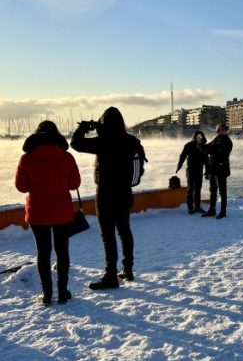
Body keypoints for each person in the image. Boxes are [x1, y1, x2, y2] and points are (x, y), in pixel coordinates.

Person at [71, 107, 146, 289]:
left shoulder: (103, 142)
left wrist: (84, 128)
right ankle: (128, 269)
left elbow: (76, 143)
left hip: (106, 193)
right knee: (124, 230)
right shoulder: (131, 141)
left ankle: (111, 275)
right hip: (125, 192)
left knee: (108, 235)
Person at [15, 121, 81, 305]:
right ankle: (62, 291)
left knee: (43, 252)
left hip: (38, 212)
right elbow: (74, 184)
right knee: (62, 251)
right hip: (62, 212)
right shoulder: (66, 157)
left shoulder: (26, 158)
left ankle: (46, 294)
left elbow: (22, 187)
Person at [200, 124, 233, 219]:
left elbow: (219, 152)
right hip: (213, 169)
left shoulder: (227, 141)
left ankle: (223, 212)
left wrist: (208, 149)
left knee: (222, 192)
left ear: (226, 130)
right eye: (218, 130)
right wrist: (200, 143)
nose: (219, 131)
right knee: (212, 190)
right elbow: (206, 148)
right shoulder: (216, 139)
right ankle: (212, 210)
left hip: (221, 169)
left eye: (222, 129)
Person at [176, 130, 208, 214]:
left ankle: (197, 207)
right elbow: (182, 156)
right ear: (194, 136)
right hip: (190, 170)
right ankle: (190, 207)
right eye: (197, 136)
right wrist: (179, 166)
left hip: (199, 170)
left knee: (198, 189)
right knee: (190, 189)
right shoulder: (188, 145)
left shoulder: (203, 146)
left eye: (200, 136)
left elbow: (206, 160)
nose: (198, 138)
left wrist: (207, 171)